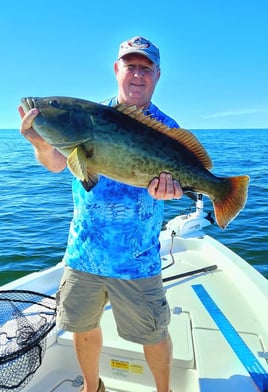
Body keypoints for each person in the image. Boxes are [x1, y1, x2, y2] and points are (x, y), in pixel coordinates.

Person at [19, 36, 183, 392]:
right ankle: (92, 388)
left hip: (137, 260)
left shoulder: (169, 129)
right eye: (130, 66)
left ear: (157, 75)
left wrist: (170, 192)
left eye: (145, 68)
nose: (137, 75)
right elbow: (56, 164)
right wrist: (40, 141)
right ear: (116, 70)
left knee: (153, 333)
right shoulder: (87, 117)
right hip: (83, 253)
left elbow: (175, 185)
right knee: (81, 325)